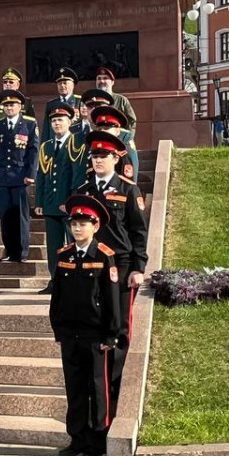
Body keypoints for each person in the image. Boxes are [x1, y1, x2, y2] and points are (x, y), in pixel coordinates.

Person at [79, 131, 147, 419]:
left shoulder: (128, 189)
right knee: (94, 326)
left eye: (103, 156)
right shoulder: (85, 191)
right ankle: (98, 393)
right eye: (94, 156)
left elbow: (138, 231)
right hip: (93, 266)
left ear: (116, 159)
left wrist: (138, 267)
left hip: (120, 265)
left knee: (118, 329)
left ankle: (116, 392)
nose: (98, 160)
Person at [49, 195, 121, 456]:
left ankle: (97, 441)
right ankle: (77, 438)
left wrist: (110, 333)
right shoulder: (64, 255)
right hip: (70, 334)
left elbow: (112, 298)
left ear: (95, 227)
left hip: (95, 336)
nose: (77, 228)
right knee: (74, 387)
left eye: (83, 224)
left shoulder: (104, 256)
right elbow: (57, 295)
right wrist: (57, 326)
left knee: (97, 389)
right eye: (74, 224)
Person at [34, 103, 86, 294]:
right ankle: (55, 280)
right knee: (53, 246)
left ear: (69, 121)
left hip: (68, 205)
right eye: (54, 120)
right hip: (50, 203)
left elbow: (77, 176)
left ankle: (76, 279)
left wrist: (71, 201)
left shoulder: (76, 144)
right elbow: (41, 176)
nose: (57, 124)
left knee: (75, 243)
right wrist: (39, 202)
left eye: (60, 120)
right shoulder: (46, 146)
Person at [0, 88, 39, 264]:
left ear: (20, 106)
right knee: (5, 216)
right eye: (6, 105)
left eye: (13, 104)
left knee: (21, 216)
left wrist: (31, 173)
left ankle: (22, 253)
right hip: (3, 177)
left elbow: (33, 151)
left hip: (21, 176)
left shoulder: (29, 124)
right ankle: (9, 250)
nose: (9, 108)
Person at [94, 66, 138, 176]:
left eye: (105, 78)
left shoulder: (121, 100)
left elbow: (132, 120)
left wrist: (127, 137)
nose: (102, 81)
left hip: (120, 140)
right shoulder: (93, 102)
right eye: (99, 78)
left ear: (112, 82)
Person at [0, 67, 37, 132]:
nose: (7, 84)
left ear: (17, 85)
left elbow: (31, 122)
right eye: (5, 82)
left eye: (11, 82)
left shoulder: (26, 102)